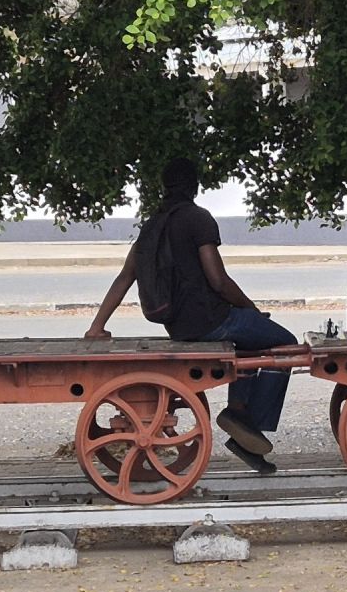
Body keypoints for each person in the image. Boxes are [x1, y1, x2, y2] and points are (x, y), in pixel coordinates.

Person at [84, 157, 296, 474]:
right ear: (195, 186)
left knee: (250, 345)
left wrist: (97, 326)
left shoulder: (152, 226)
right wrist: (252, 310)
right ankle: (249, 424)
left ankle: (238, 411)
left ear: (164, 186)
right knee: (285, 344)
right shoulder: (198, 219)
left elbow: (124, 278)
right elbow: (218, 280)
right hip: (213, 321)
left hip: (179, 327)